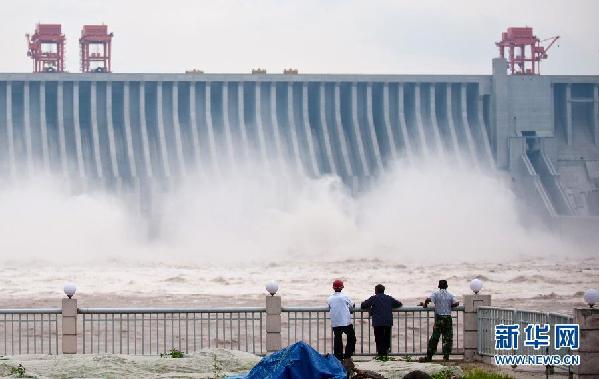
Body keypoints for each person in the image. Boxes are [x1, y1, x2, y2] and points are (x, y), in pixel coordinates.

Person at [419, 280, 459, 362]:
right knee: (447, 338)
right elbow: (457, 303)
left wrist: (425, 305)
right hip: (448, 318)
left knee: (435, 338)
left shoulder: (436, 294)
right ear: (447, 286)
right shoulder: (450, 294)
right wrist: (450, 306)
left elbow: (428, 299)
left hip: (439, 318)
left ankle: (429, 356)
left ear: (438, 286)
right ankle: (446, 357)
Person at [360, 284, 402, 358]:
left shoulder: (373, 298)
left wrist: (371, 308)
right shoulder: (389, 298)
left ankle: (380, 354)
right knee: (387, 338)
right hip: (387, 321)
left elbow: (363, 305)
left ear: (376, 290)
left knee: (379, 338)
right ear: (383, 290)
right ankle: (386, 353)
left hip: (378, 322)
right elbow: (399, 304)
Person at [327, 279, 356, 362]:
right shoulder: (345, 296)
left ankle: (338, 357)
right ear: (342, 287)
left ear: (333, 288)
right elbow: (352, 305)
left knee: (338, 339)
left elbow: (330, 306)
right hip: (346, 321)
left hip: (335, 322)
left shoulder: (329, 298)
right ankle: (347, 355)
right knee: (351, 338)